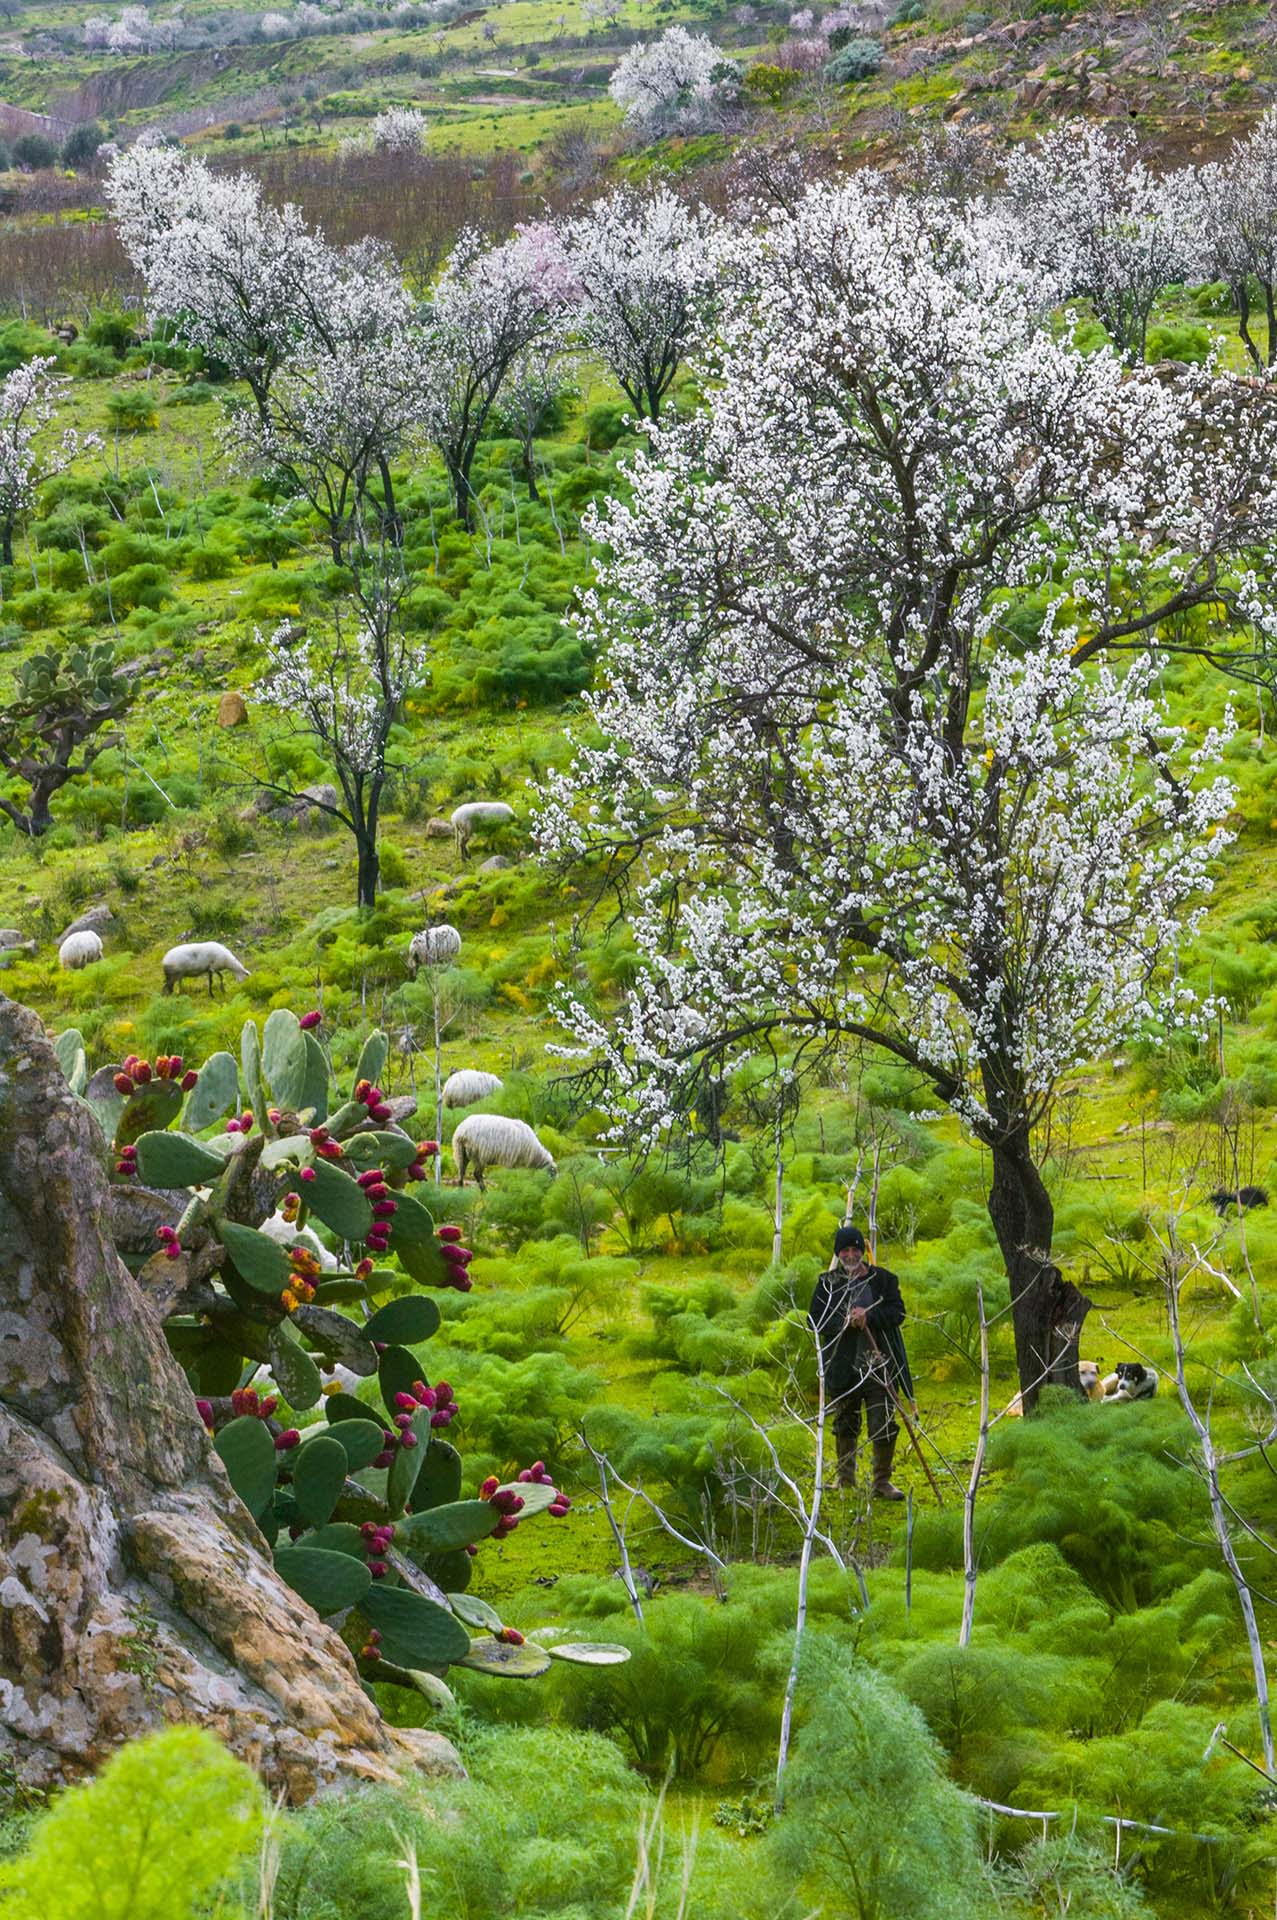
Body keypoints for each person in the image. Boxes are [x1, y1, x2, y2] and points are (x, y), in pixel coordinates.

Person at [808, 1223, 914, 1500]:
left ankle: (882, 1482)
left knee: (883, 1423)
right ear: (838, 1253)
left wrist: (869, 1317)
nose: (850, 1255)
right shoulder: (827, 1284)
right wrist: (842, 1322)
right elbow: (813, 1320)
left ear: (862, 1251)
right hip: (842, 1366)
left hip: (879, 1365)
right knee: (845, 1423)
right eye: (844, 1250)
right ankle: (845, 1480)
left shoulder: (883, 1280)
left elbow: (898, 1313)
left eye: (855, 1249)